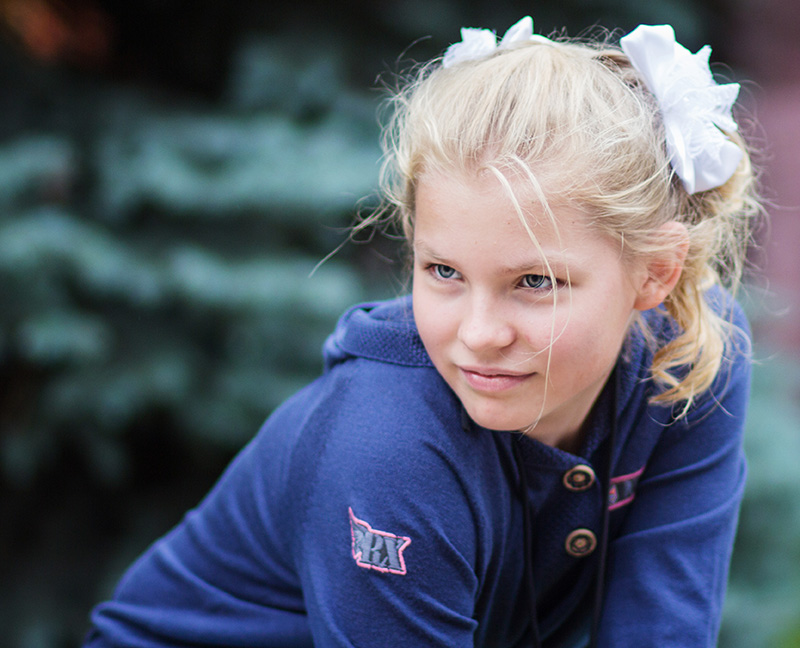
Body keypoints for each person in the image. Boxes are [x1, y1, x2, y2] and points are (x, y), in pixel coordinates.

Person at [82, 16, 760, 648]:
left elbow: (662, 628)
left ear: (656, 273)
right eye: (444, 271)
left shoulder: (691, 353)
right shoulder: (392, 450)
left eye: (534, 282)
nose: (480, 333)